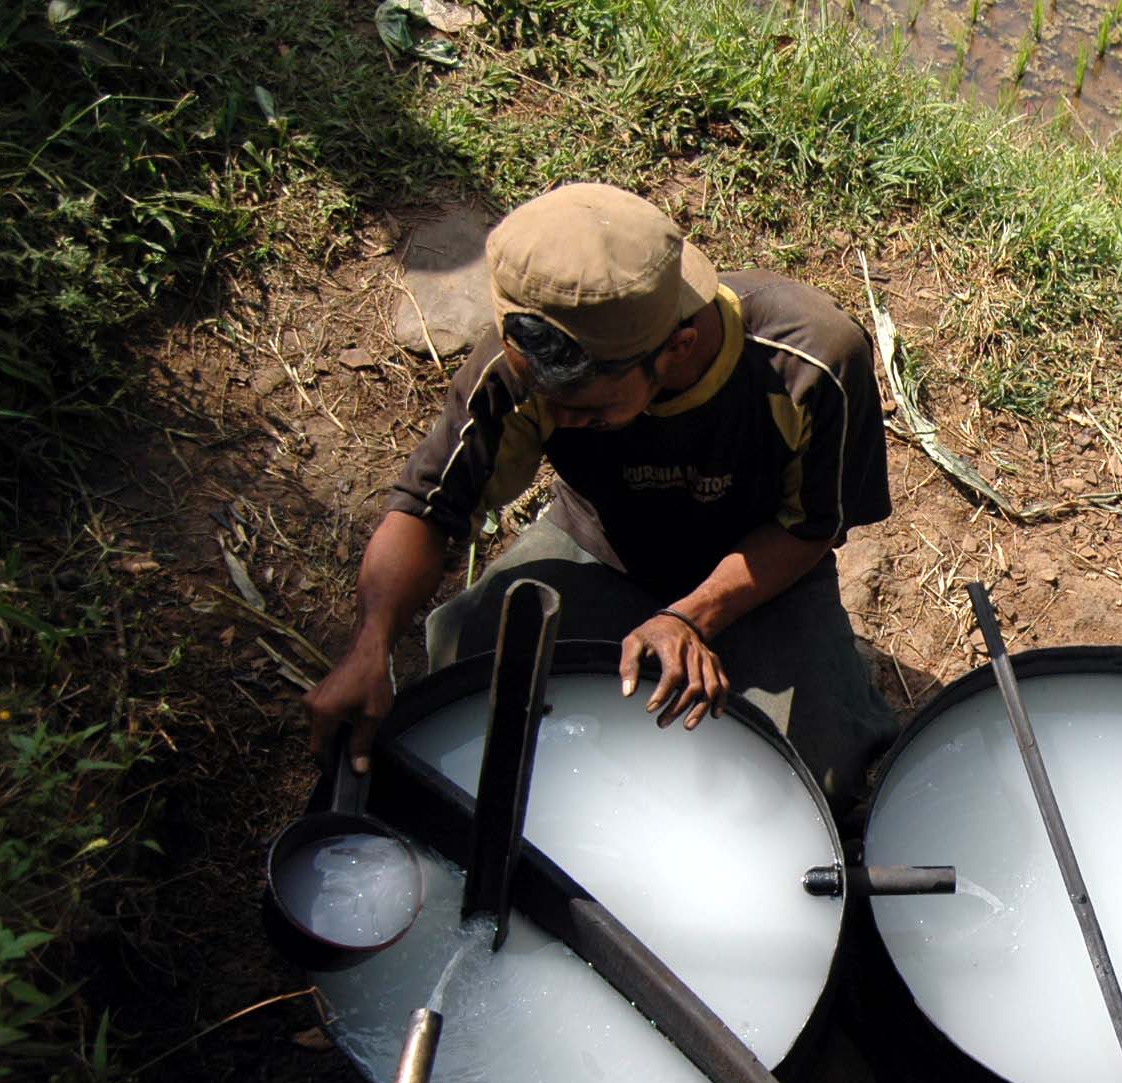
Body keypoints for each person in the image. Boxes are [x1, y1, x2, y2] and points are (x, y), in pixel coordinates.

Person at [305, 183, 899, 810]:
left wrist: (688, 617)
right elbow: (429, 508)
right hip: (602, 546)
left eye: (587, 408)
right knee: (465, 664)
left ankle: (825, 686)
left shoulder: (811, 359)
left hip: (760, 576)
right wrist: (370, 646)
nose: (558, 419)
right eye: (547, 401)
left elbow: (809, 529)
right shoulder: (517, 370)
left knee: (806, 778)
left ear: (677, 348)